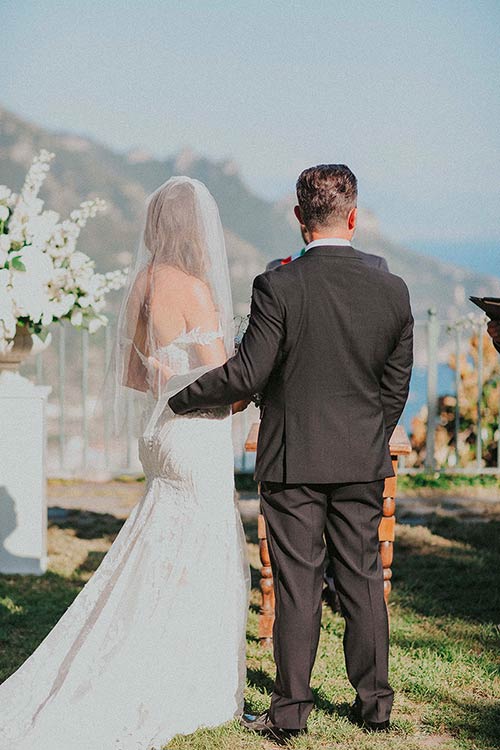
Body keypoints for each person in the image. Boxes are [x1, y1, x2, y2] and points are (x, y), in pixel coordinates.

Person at [0, 177, 250, 750]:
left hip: (159, 435)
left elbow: (132, 374)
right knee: (202, 547)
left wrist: (166, 376)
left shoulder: (142, 283)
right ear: (197, 228)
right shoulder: (195, 289)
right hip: (196, 435)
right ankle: (192, 677)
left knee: (158, 541)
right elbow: (223, 381)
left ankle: (145, 647)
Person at [168, 164, 414, 743]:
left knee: (297, 585)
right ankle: (375, 707)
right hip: (361, 460)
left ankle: (290, 713)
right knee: (362, 579)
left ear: (299, 218)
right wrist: (368, 435)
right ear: (353, 217)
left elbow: (248, 373)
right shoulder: (393, 289)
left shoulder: (277, 286)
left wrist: (179, 399)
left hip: (291, 462)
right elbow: (396, 383)